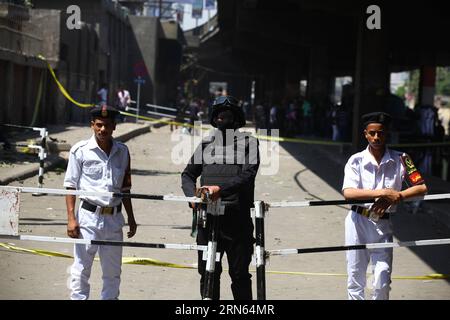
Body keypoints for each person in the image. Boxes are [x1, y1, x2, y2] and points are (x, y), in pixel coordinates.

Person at [342, 112, 427, 300]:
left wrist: (397, 196)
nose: (376, 137)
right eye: (372, 133)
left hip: (383, 225)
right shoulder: (356, 160)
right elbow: (348, 193)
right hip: (357, 222)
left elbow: (421, 187)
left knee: (382, 278)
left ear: (387, 133)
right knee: (355, 278)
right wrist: (382, 193)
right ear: (365, 134)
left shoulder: (402, 159)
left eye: (381, 133)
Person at [181, 95, 260, 300]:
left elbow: (248, 175)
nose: (223, 120)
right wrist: (192, 197)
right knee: (208, 273)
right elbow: (188, 174)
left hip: (237, 222)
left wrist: (219, 189)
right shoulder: (207, 144)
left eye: (228, 116)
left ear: (237, 118)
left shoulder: (249, 143)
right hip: (208, 223)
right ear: (214, 119)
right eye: (219, 116)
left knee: (239, 275)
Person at [63, 104, 137, 300]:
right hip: (88, 218)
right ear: (92, 125)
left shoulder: (122, 152)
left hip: (114, 220)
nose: (102, 129)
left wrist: (131, 217)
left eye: (107, 125)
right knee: (81, 269)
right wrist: (71, 218)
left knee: (112, 273)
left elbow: (125, 188)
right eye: (98, 125)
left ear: (114, 127)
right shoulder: (80, 150)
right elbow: (70, 186)